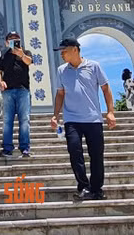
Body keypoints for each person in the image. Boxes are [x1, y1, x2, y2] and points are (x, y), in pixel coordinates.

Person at [52, 38, 116, 201]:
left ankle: (96, 189)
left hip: (93, 118)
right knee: (74, 151)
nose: (62, 54)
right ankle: (83, 186)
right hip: (71, 119)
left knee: (96, 154)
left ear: (75, 49)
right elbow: (60, 94)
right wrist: (55, 115)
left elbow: (106, 89)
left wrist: (110, 112)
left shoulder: (93, 66)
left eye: (64, 51)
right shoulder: (61, 70)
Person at [0, 31, 33, 158]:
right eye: (11, 38)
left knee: (24, 119)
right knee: (7, 120)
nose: (14, 40)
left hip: (23, 90)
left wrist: (21, 54)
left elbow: (29, 62)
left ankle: (25, 147)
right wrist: (0, 81)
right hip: (8, 91)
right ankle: (7, 147)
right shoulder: (4, 55)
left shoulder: (26, 52)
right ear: (7, 42)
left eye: (16, 38)